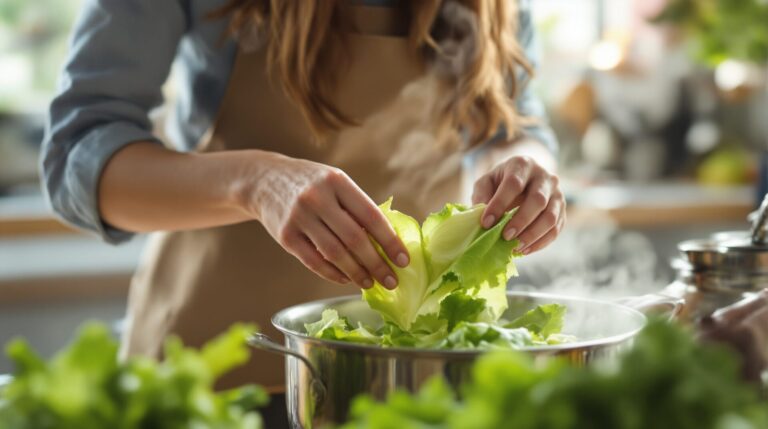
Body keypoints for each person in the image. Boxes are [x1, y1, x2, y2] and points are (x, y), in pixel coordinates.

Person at [41, 0, 565, 424]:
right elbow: (76, 157)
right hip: (213, 376)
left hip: (408, 384)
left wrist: (523, 170)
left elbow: (513, 126)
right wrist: (255, 181)